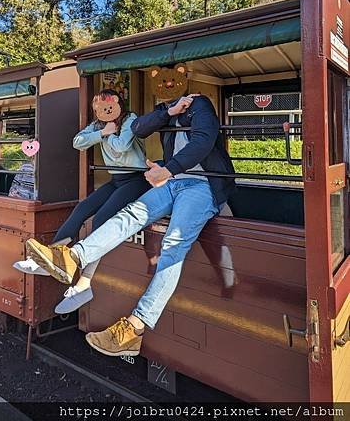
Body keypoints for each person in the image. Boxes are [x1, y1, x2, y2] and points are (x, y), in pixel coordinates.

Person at [25, 64, 235, 357]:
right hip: (173, 181)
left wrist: (168, 169)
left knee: (173, 244)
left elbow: (203, 141)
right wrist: (169, 112)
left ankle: (134, 328)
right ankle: (72, 257)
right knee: (130, 214)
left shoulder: (200, 104)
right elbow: (139, 127)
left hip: (202, 186)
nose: (167, 91)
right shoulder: (166, 109)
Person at [15, 89, 149, 315]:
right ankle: (51, 258)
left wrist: (107, 133)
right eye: (98, 105)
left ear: (117, 103)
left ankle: (84, 284)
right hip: (116, 179)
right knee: (82, 209)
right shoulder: (99, 125)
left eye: (106, 104)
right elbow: (78, 141)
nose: (102, 109)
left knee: (101, 221)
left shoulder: (130, 119)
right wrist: (102, 132)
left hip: (136, 179)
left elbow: (122, 146)